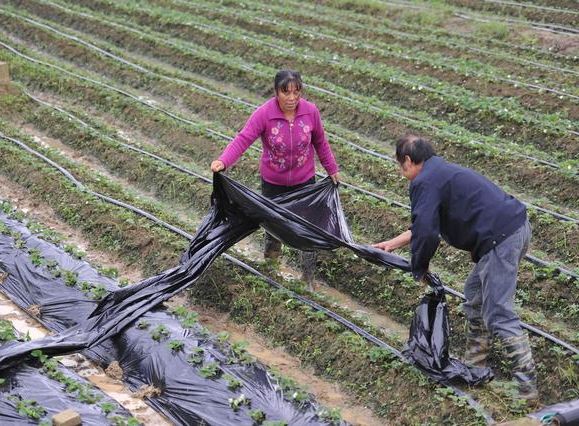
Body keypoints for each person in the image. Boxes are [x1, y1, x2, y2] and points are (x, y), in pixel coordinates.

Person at [373, 135, 537, 401]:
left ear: (406, 160)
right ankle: (476, 362)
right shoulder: (438, 172)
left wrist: (421, 266)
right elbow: (425, 224)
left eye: (398, 164)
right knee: (474, 295)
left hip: (501, 239)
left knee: (498, 311)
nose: (400, 170)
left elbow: (427, 232)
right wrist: (392, 244)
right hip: (512, 229)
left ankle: (527, 388)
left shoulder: (424, 181)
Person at [211, 69, 339, 289]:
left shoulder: (310, 112)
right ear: (276, 91)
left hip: (304, 182)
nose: (291, 98)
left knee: (306, 229)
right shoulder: (264, 114)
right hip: (274, 184)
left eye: (296, 92)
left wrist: (332, 169)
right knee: (273, 227)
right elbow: (244, 139)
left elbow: (320, 142)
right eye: (286, 92)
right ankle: (271, 269)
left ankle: (308, 278)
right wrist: (224, 161)